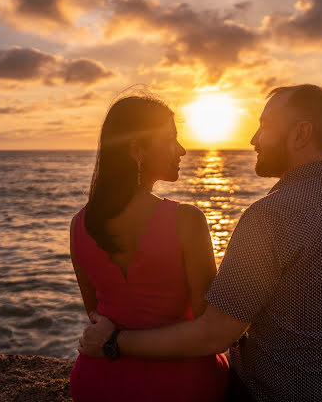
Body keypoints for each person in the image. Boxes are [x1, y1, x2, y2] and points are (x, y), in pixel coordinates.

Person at [79, 84, 322, 402]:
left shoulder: (270, 216)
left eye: (266, 125)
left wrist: (113, 341)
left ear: (301, 134)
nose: (254, 139)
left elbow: (215, 335)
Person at [69, 94, 229, 402]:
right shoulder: (187, 220)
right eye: (170, 139)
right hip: (182, 385)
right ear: (136, 150)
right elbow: (210, 332)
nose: (181, 150)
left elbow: (95, 313)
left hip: (99, 380)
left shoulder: (79, 224)